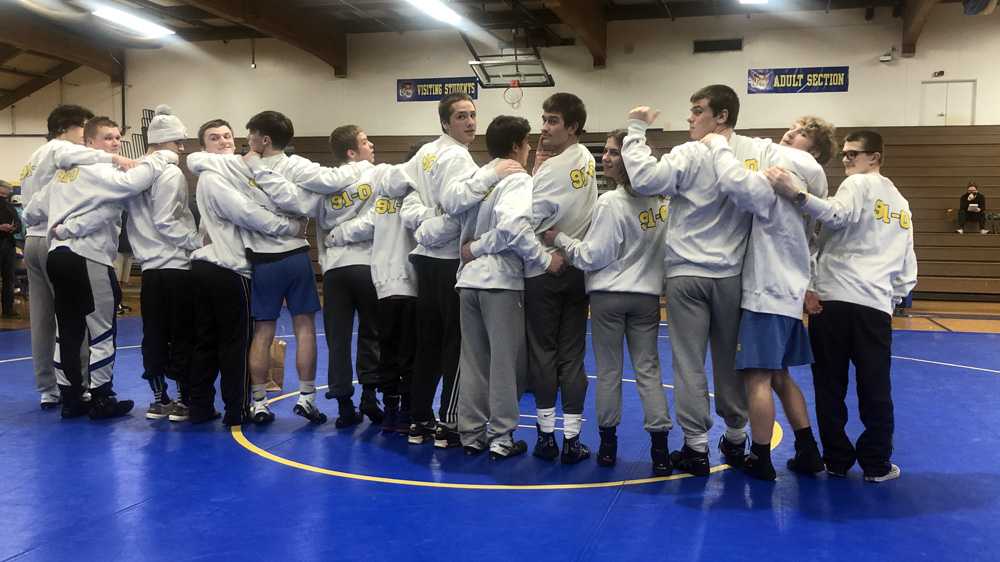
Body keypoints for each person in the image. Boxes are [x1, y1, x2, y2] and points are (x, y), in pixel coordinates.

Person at [621, 84, 773, 476]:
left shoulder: (692, 152)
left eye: (697, 110)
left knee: (689, 364)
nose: (690, 117)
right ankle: (736, 441)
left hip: (688, 273)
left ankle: (697, 448)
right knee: (730, 362)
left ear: (720, 116)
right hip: (730, 276)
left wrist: (636, 131)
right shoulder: (753, 152)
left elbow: (644, 178)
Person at [193, 111, 366, 425]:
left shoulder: (238, 168)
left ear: (264, 139)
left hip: (262, 260)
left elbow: (199, 163)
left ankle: (259, 402)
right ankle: (307, 397)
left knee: (262, 332)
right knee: (305, 329)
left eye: (251, 136)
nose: (246, 142)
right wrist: (362, 165)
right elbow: (325, 188)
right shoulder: (295, 165)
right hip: (295, 255)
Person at [772, 130, 917, 483]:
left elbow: (837, 217)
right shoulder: (901, 204)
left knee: (830, 385)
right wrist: (892, 296)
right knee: (875, 387)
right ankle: (877, 464)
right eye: (846, 155)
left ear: (875, 157)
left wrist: (797, 193)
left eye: (854, 154)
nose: (847, 160)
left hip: (834, 302)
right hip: (874, 306)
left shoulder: (857, 185)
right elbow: (907, 261)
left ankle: (837, 459)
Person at [699, 115, 836, 480]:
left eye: (802, 133)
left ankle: (760, 457)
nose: (789, 133)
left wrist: (719, 143)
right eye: (791, 128)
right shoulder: (808, 182)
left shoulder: (789, 167)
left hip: (766, 291)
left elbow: (740, 182)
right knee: (779, 376)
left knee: (756, 378)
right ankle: (808, 449)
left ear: (816, 150)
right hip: (787, 290)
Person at [245, 124, 407, 427]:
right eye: (365, 141)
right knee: (372, 335)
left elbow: (294, 201)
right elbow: (382, 215)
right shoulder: (378, 172)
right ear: (352, 151)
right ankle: (370, 396)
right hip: (366, 266)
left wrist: (257, 167)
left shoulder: (323, 185)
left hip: (333, 269)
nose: (371, 144)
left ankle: (345, 403)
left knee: (339, 339)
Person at [23, 117, 176, 419]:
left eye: (118, 138)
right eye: (108, 138)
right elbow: (134, 183)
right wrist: (162, 156)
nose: (115, 143)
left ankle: (71, 397)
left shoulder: (62, 175)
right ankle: (102, 397)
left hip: (57, 255)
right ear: (89, 143)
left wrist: (59, 220)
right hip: (88, 256)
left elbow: (31, 212)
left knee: (67, 328)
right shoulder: (101, 170)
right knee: (101, 328)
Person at [543, 129, 672, 475]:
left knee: (610, 372)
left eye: (615, 153)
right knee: (649, 372)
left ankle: (608, 448)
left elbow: (592, 256)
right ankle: (660, 451)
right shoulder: (661, 203)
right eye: (608, 152)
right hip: (646, 297)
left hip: (608, 297)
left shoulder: (611, 203)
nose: (607, 157)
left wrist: (561, 239)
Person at [63, 106, 200, 421]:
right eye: (178, 142)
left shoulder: (131, 173)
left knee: (152, 333)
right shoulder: (169, 172)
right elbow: (167, 220)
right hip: (175, 265)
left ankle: (158, 398)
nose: (181, 148)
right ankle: (181, 400)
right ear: (169, 141)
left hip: (149, 267)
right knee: (180, 334)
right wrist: (197, 244)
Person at [399, 93, 509, 448]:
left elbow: (414, 205)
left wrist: (425, 227)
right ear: (445, 123)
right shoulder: (456, 157)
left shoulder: (427, 153)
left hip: (427, 258)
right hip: (446, 261)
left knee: (428, 342)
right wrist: (492, 173)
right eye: (461, 116)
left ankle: (418, 419)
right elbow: (456, 205)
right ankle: (448, 422)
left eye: (473, 115)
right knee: (453, 344)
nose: (470, 122)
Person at [185, 118, 307, 426]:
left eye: (227, 135)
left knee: (207, 341)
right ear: (204, 147)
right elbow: (246, 212)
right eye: (215, 138)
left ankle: (200, 406)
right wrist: (289, 227)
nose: (224, 141)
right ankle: (235, 409)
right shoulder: (215, 176)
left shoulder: (233, 171)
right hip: (227, 268)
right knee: (233, 344)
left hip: (208, 266)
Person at [442, 115, 550, 459]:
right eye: (528, 142)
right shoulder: (516, 179)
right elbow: (514, 227)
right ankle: (502, 436)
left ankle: (471, 433)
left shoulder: (477, 176)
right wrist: (544, 261)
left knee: (473, 361)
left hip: (469, 280)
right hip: (499, 281)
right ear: (518, 145)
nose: (531, 148)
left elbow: (452, 204)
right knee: (505, 363)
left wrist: (472, 249)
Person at [18, 105, 136, 409]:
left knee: (50, 320)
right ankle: (92, 390)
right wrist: (121, 160)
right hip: (64, 239)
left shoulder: (37, 157)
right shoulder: (65, 152)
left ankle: (53, 388)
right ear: (72, 129)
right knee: (89, 321)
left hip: (37, 237)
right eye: (90, 132)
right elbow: (112, 200)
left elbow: (30, 207)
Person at [520, 93, 597, 464]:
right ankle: (572, 439)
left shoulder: (551, 170)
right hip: (577, 266)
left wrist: (532, 174)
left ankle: (546, 437)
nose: (544, 127)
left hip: (544, 269)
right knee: (572, 356)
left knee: (544, 353)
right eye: (544, 119)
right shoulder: (584, 157)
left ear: (573, 127)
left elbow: (525, 222)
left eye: (553, 121)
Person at [0, 180, 21, 319]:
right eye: (6, 188)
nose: (9, 190)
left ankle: (8, 309)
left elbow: (19, 224)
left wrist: (14, 228)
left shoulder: (10, 206)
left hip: (8, 243)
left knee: (9, 278)